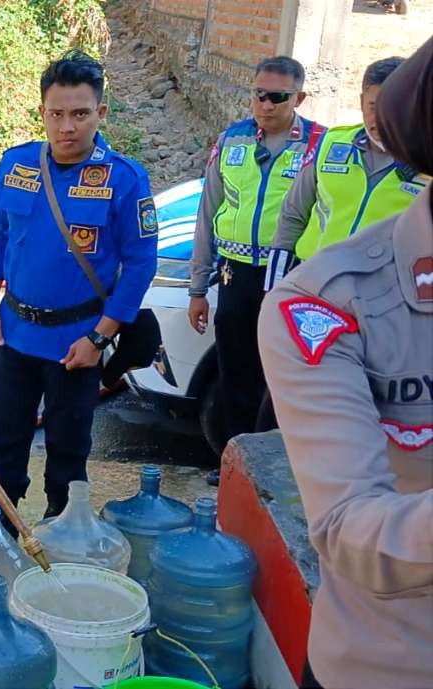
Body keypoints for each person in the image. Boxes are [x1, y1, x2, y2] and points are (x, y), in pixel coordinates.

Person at [258, 36, 432, 689]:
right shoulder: (327, 152)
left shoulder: (408, 175)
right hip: (332, 314)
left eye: (277, 95)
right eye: (366, 102)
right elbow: (291, 218)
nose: (371, 115)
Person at [0, 51, 157, 528]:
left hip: (77, 342)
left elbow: (140, 266)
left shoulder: (124, 179)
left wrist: (100, 337)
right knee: (4, 438)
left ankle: (62, 527)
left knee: (68, 446)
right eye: (56, 114)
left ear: (101, 112)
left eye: (80, 113)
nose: (67, 127)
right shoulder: (15, 164)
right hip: (13, 334)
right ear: (42, 112)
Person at [187, 56, 324, 482]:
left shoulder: (320, 146)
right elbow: (208, 213)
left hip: (290, 275)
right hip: (236, 273)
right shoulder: (232, 140)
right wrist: (197, 287)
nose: (265, 104)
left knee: (282, 374)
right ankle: (235, 465)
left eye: (277, 97)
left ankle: (276, 468)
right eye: (258, 94)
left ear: (298, 98)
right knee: (235, 368)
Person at [266, 56, 424, 289]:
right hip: (313, 280)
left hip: (384, 293)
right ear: (361, 103)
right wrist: (274, 287)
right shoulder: (331, 143)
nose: (382, 118)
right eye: (374, 106)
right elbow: (292, 216)